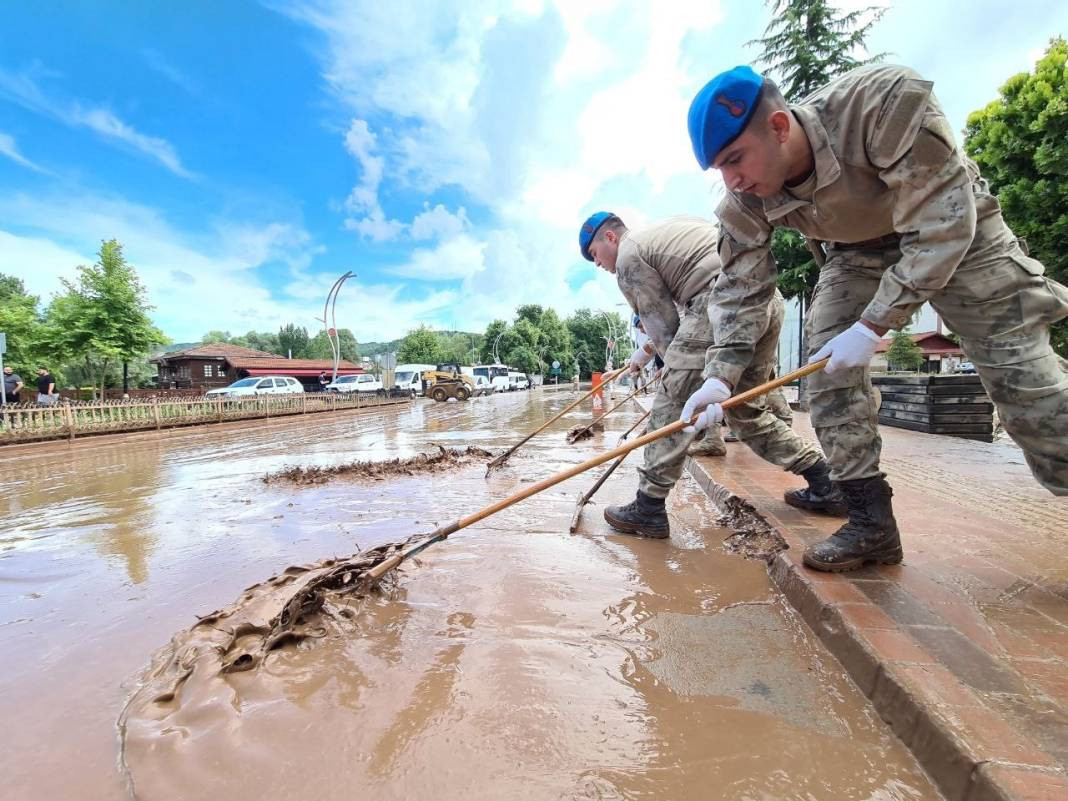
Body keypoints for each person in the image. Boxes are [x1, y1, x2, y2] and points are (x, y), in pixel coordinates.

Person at [684, 64, 1068, 571]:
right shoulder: (744, 196)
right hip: (855, 251)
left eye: (735, 158)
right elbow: (739, 289)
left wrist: (874, 326)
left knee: (1023, 385)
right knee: (828, 373)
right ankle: (871, 523)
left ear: (779, 127)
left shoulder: (882, 104)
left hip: (958, 228)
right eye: (720, 169)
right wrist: (718, 376)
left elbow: (941, 226)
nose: (731, 179)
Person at [579, 212, 840, 538]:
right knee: (746, 410)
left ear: (610, 238)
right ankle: (824, 478)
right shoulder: (663, 231)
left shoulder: (630, 256)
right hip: (766, 299)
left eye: (594, 255)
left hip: (721, 299)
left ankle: (648, 506)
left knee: (671, 402)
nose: (598, 265)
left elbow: (665, 329)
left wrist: (674, 375)